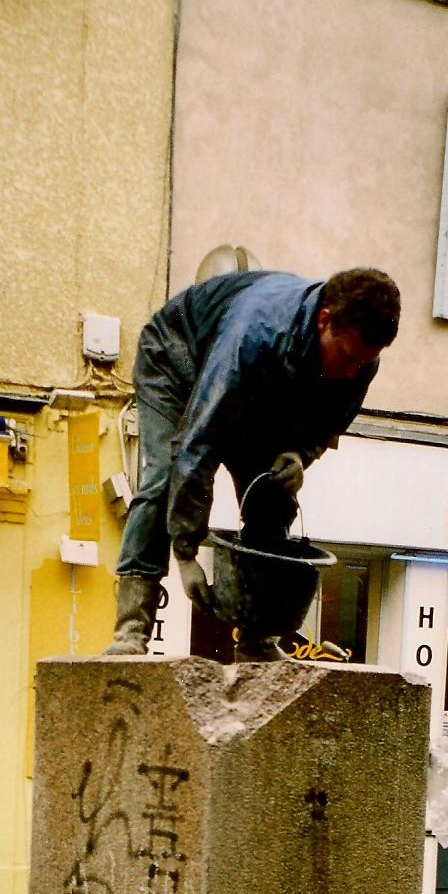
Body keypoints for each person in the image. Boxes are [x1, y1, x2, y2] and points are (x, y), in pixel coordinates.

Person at [105, 265, 400, 658]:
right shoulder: (255, 332)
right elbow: (197, 446)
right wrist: (187, 552)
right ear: (324, 320)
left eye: (362, 363)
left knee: (273, 499)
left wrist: (299, 454)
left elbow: (328, 422)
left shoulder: (361, 357)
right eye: (346, 356)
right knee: (162, 482)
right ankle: (131, 629)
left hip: (257, 400)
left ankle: (259, 635)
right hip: (176, 361)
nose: (352, 371)